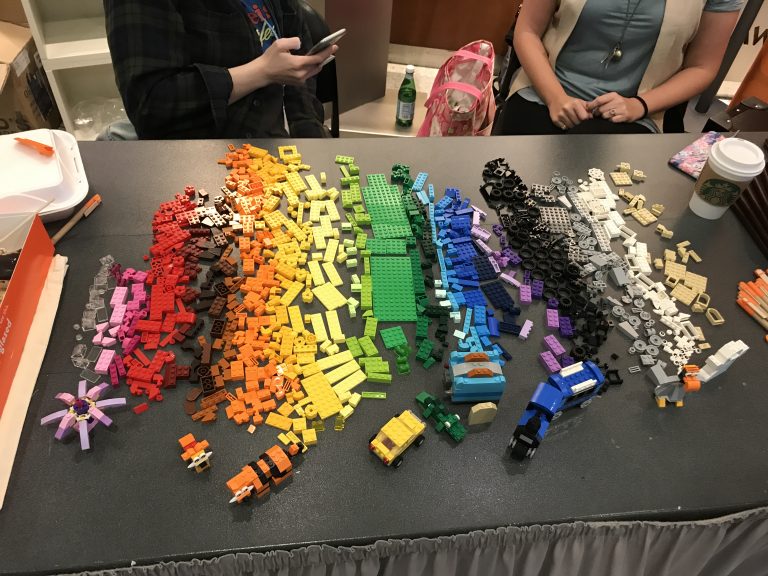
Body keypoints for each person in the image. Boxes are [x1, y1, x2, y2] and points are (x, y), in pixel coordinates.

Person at [494, 0, 742, 135]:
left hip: (637, 110)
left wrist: (639, 105)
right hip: (544, 91)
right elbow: (527, 31)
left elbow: (702, 67)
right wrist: (555, 97)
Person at [104, 0, 337, 139]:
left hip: (275, 147)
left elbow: (300, 81)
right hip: (205, 163)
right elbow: (151, 104)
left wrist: (311, 144)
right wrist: (261, 72)